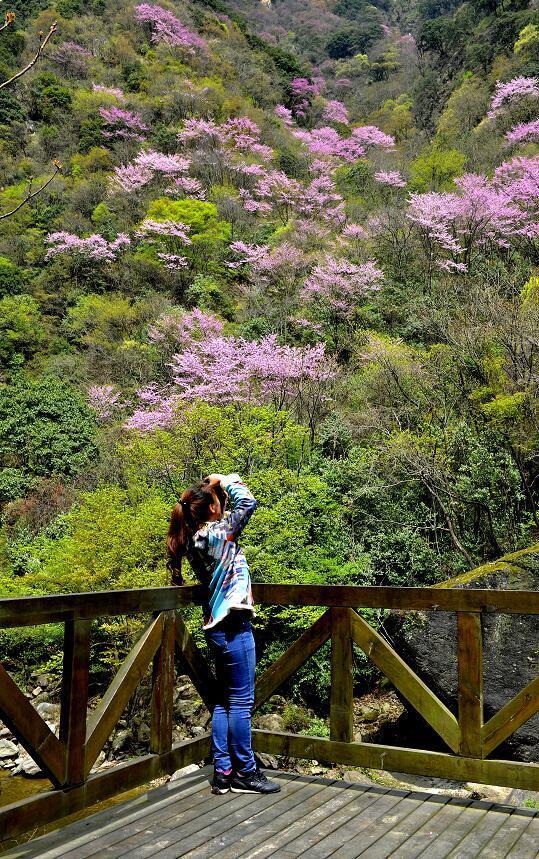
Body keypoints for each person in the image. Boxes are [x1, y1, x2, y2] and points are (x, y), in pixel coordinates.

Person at [167, 472, 280, 796]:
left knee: (223, 702)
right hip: (233, 626)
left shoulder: (196, 538)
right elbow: (248, 502)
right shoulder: (218, 534)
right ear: (213, 510)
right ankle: (245, 773)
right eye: (219, 503)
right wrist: (227, 479)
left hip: (217, 628)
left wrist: (216, 492)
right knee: (242, 703)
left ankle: (223, 773)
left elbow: (232, 507)